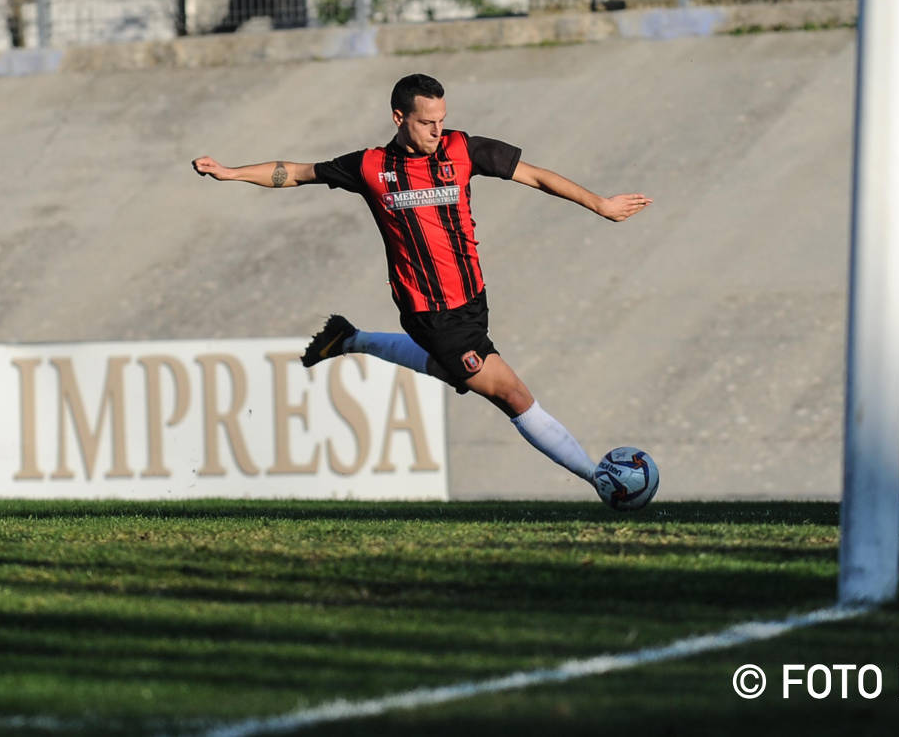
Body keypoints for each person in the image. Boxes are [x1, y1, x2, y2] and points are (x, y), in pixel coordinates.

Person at [191, 72, 651, 496]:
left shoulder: (462, 149)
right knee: (512, 395)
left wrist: (601, 205)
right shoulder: (370, 166)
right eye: (427, 122)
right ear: (399, 118)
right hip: (430, 312)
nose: (437, 130)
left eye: (442, 120)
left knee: (459, 373)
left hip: (472, 299)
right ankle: (602, 478)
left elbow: (536, 176)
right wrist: (231, 172)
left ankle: (351, 339)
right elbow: (296, 172)